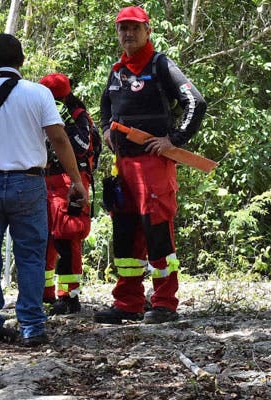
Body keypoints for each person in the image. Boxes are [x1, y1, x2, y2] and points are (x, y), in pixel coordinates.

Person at [0, 34, 88, 347]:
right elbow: (60, 139)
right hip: (28, 182)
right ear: (21, 62)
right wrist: (76, 181)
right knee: (31, 254)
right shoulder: (39, 95)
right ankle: (31, 326)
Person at [94, 6, 207, 325]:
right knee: (125, 232)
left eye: (134, 28)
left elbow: (195, 102)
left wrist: (174, 139)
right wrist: (106, 129)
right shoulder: (117, 70)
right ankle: (127, 302)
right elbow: (106, 104)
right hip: (122, 166)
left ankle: (164, 303)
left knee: (157, 230)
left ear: (148, 31)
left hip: (154, 165)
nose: (127, 33)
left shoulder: (161, 66)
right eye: (122, 28)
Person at [38, 73, 98, 315]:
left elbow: (81, 147)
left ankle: (69, 295)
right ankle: (43, 294)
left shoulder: (78, 116)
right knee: (43, 239)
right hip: (44, 179)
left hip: (70, 180)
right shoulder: (40, 112)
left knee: (68, 236)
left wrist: (62, 127)